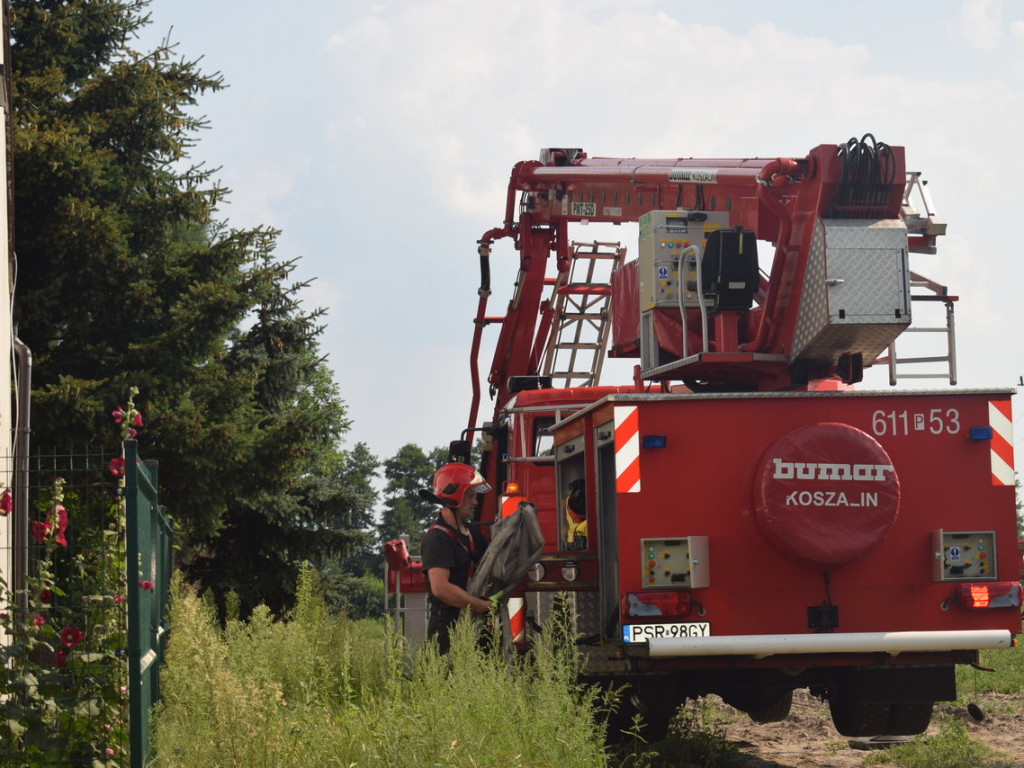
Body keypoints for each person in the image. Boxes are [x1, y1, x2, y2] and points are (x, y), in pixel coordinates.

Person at [420, 463, 492, 654]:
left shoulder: (472, 534)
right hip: (446, 633)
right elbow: (441, 588)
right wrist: (479, 606)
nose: (475, 502)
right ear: (454, 496)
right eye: (471, 496)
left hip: (474, 627)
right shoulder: (437, 539)